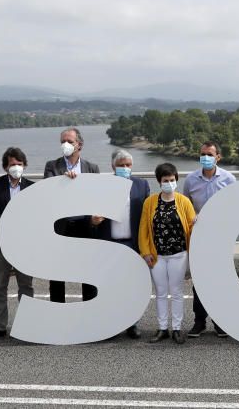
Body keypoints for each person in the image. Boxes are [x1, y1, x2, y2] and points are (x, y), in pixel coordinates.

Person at [182, 141, 237, 338]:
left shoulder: (229, 179)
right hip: (198, 237)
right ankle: (199, 321)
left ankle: (220, 321)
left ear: (218, 157)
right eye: (203, 154)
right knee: (199, 280)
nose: (205, 157)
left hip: (221, 237)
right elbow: (184, 206)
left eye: (209, 154)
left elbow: (235, 206)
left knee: (220, 279)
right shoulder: (190, 180)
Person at [139, 163, 197, 344]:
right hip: (157, 256)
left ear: (176, 180)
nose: (169, 183)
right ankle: (162, 328)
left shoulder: (184, 201)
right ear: (159, 181)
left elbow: (191, 226)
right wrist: (146, 251)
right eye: (165, 180)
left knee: (177, 292)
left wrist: (196, 223)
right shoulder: (149, 203)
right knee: (161, 292)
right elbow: (143, 230)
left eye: (172, 180)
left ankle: (177, 329)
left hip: (179, 254)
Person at [0, 147, 35, 341]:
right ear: (6, 166)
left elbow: (38, 213)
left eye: (19, 164)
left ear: (24, 165)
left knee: (26, 285)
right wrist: (7, 220)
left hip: (24, 244)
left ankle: (28, 324)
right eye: (12, 164)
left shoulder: (31, 186)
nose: (16, 167)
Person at [43, 127, 101, 303]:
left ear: (79, 145)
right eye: (62, 142)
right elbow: (48, 191)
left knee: (88, 273)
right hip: (62, 225)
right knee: (57, 274)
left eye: (69, 141)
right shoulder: (52, 166)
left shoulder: (91, 168)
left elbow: (97, 196)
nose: (65, 145)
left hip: (85, 224)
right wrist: (64, 181)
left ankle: (89, 314)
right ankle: (57, 315)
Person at [97, 148, 151, 339]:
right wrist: (93, 220)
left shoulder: (141, 185)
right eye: (121, 165)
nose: (125, 168)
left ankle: (132, 324)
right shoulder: (102, 185)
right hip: (110, 243)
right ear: (113, 166)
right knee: (109, 286)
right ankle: (111, 324)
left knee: (131, 287)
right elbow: (92, 213)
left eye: (128, 165)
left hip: (133, 244)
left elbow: (147, 217)